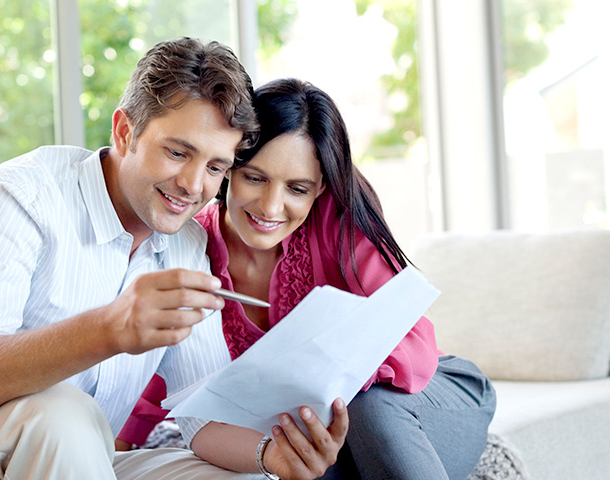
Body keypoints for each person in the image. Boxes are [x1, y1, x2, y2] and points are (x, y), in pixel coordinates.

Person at [0, 39, 349, 480]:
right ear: (125, 132)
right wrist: (108, 329)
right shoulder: (24, 196)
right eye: (178, 152)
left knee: (239, 475)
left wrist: (270, 453)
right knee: (60, 415)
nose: (193, 185)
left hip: (86, 464)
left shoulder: (187, 244)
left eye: (215, 167)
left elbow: (200, 410)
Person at [119, 78, 497, 480]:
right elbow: (169, 368)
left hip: (423, 399)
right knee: (296, 458)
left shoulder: (340, 219)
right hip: (319, 431)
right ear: (230, 167)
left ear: (319, 189)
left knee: (363, 406)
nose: (271, 206)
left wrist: (324, 379)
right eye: (255, 178)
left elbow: (413, 348)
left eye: (297, 188)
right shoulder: (190, 247)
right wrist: (115, 447)